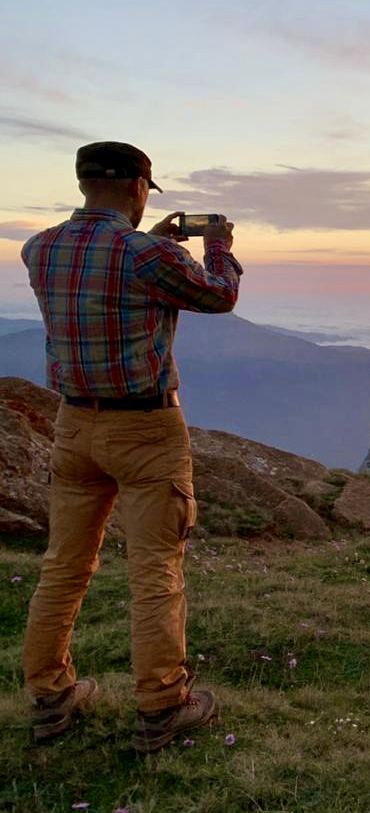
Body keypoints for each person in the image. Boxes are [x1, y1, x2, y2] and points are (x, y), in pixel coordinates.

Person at [20, 141, 242, 753]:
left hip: (73, 427)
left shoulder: (38, 248)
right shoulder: (141, 252)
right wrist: (217, 242)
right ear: (138, 188)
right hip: (145, 430)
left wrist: (162, 245)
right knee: (154, 570)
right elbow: (218, 295)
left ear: (84, 181)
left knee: (64, 566)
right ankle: (163, 705)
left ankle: (49, 696)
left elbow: (108, 277)